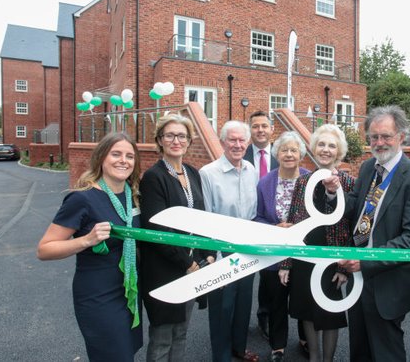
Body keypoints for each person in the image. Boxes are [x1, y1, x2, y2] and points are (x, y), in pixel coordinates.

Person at [330, 105, 410, 361]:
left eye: (386, 136)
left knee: (386, 352)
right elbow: (354, 207)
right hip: (357, 276)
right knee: (360, 348)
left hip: (387, 280)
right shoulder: (368, 168)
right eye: (374, 136)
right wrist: (334, 192)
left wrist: (364, 261)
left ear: (401, 136)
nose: (379, 142)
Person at [37, 132, 142, 361]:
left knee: (127, 352)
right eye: (116, 154)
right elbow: (44, 249)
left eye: (130, 156)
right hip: (98, 296)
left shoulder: (132, 195)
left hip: (128, 291)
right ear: (102, 158)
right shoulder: (82, 198)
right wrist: (87, 240)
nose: (123, 160)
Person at [140, 114, 213, 361]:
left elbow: (202, 219)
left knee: (181, 333)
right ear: (160, 140)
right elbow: (158, 229)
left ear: (189, 140)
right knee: (162, 338)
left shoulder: (193, 172)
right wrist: (189, 263)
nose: (176, 140)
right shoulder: (154, 177)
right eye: (169, 135)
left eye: (182, 135)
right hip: (165, 270)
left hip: (192, 266)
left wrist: (208, 255)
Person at [280, 124, 355, 362]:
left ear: (339, 151)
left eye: (331, 145)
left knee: (329, 311)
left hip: (332, 259)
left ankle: (327, 360)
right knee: (307, 310)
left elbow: (354, 227)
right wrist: (286, 262)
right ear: (313, 148)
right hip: (304, 257)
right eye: (321, 144)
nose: (325, 149)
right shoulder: (303, 182)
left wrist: (344, 267)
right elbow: (292, 224)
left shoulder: (349, 182)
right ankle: (313, 357)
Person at [199, 120, 259, 362]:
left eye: (241, 140)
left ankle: (239, 348)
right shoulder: (208, 173)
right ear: (223, 142)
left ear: (247, 143)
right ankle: (221, 356)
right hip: (222, 250)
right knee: (222, 307)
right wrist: (214, 255)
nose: (237, 144)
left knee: (244, 303)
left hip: (248, 249)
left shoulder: (251, 170)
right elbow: (206, 217)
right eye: (232, 140)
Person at [254, 131, 310, 362]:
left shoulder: (310, 179)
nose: (288, 154)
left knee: (303, 299)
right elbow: (257, 217)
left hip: (302, 253)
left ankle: (306, 339)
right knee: (276, 301)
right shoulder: (265, 182)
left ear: (300, 154)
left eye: (293, 150)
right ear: (277, 153)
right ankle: (278, 345)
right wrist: (276, 228)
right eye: (284, 150)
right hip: (274, 255)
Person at [243, 110, 278, 340]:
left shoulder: (280, 155)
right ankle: (238, 324)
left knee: (269, 277)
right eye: (256, 126)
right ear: (250, 130)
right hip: (245, 223)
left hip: (270, 224)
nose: (260, 130)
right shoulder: (239, 154)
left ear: (271, 129)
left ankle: (265, 316)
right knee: (243, 276)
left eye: (264, 126)